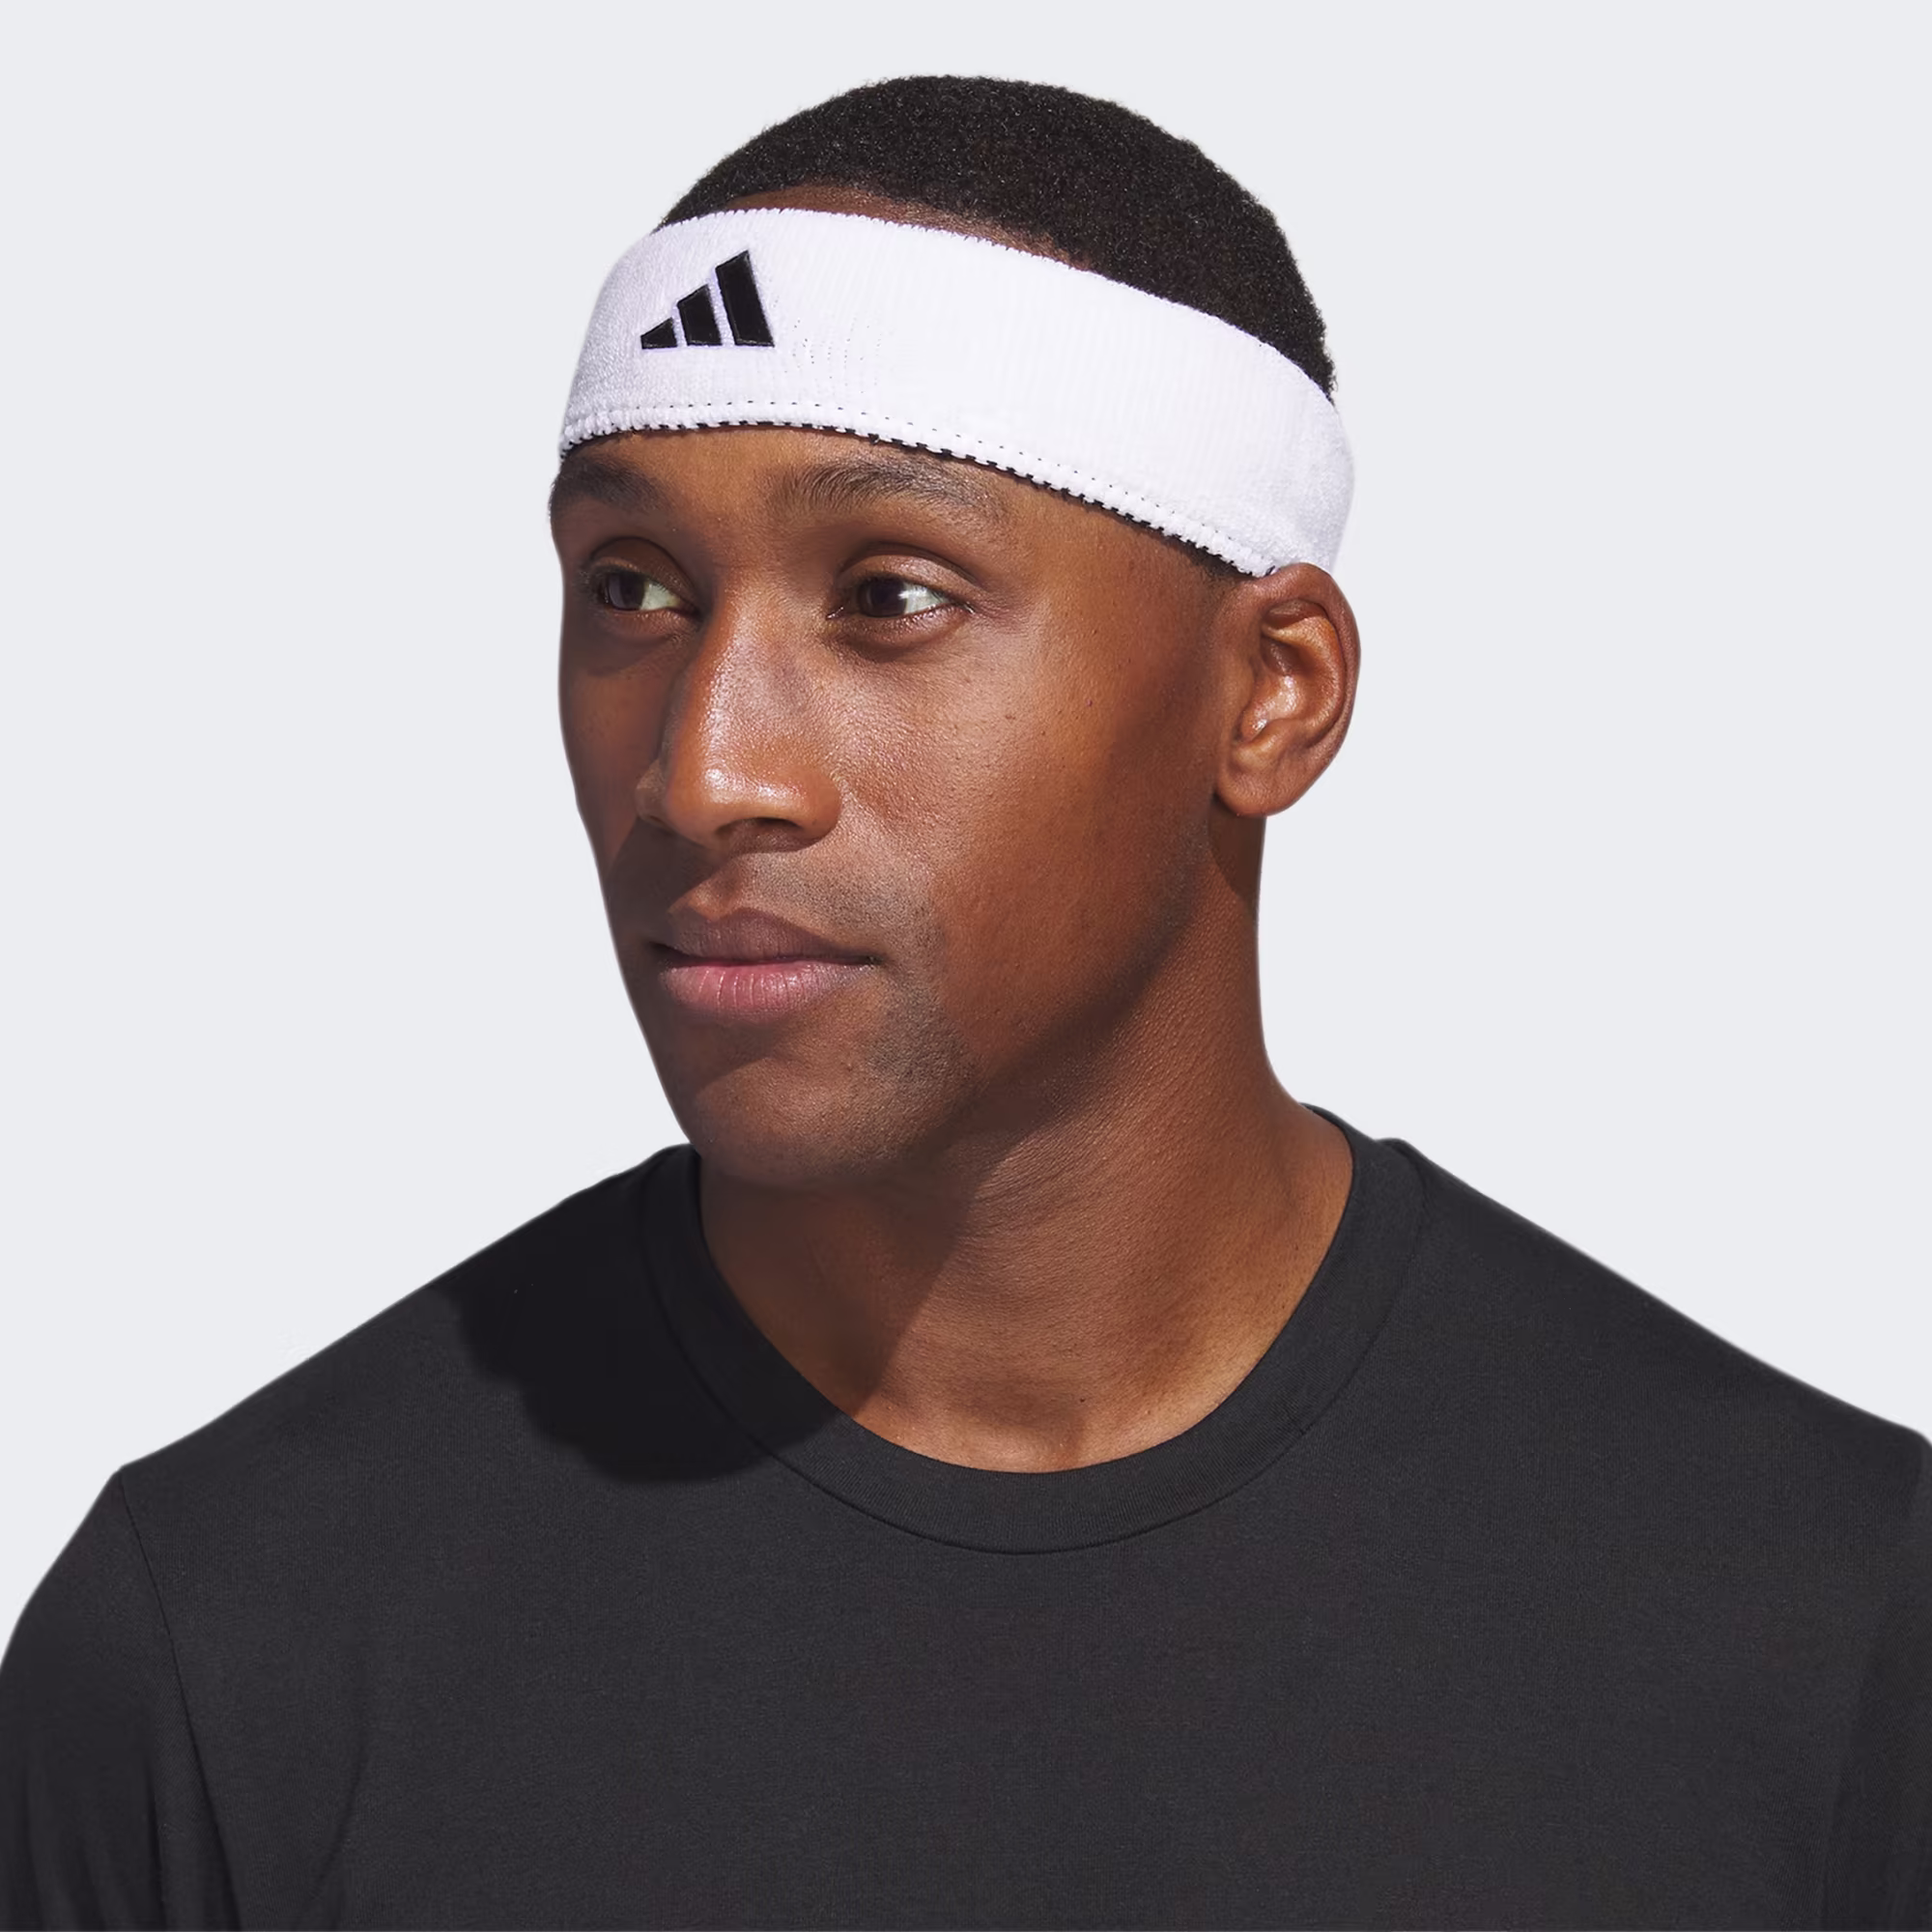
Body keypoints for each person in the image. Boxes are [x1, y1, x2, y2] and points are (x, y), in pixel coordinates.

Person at [2, 72, 1926, 1931]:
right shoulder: (223, 1649)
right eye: (635, 589)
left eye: (890, 596)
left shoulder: (1823, 1624)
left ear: (1272, 692)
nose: (705, 770)